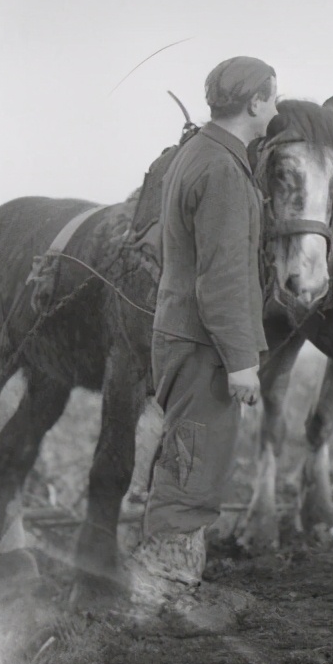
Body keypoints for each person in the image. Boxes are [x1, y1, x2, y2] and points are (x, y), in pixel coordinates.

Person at [128, 56, 278, 607]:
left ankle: (171, 587)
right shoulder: (221, 168)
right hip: (204, 342)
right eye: (273, 97)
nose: (277, 107)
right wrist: (242, 359)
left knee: (186, 457)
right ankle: (164, 597)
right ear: (256, 102)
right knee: (193, 462)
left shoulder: (201, 152)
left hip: (185, 333)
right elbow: (224, 277)